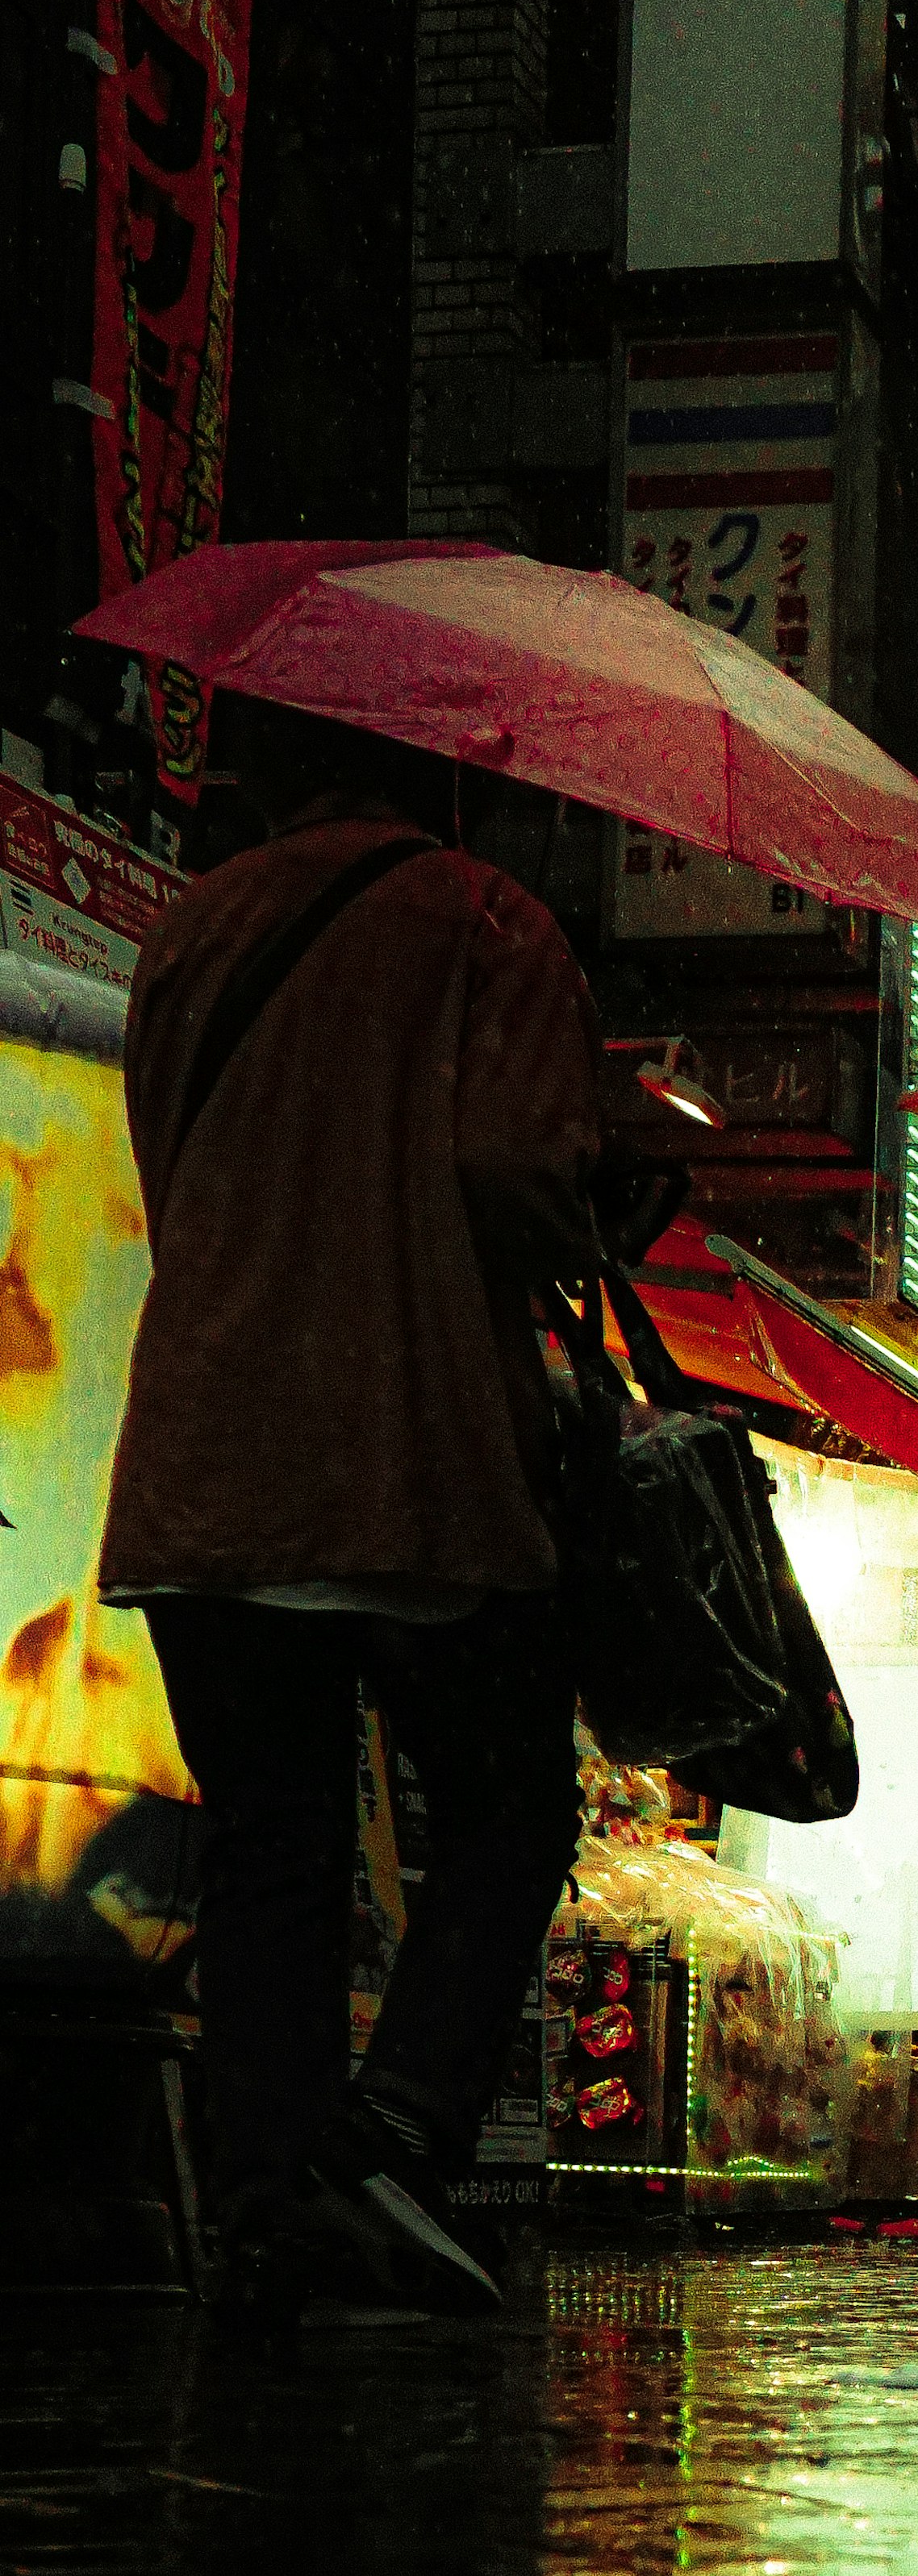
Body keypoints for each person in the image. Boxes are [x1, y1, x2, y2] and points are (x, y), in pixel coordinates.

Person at [100, 701, 606, 2314]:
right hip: (406, 1448)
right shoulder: (488, 923)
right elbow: (520, 1176)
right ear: (449, 771)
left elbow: (172, 1164)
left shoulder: (191, 928)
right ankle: (393, 2125)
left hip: (209, 1451)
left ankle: (267, 2196)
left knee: (273, 1844)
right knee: (514, 1798)